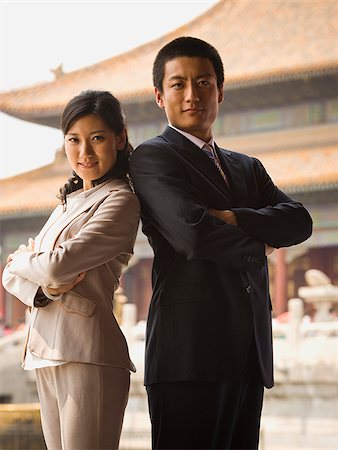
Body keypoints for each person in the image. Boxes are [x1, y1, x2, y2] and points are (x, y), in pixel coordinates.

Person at [129, 36, 313, 449]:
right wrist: (262, 241)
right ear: (159, 96)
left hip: (248, 352)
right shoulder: (153, 159)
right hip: (188, 354)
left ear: (220, 91)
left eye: (204, 82)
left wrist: (234, 218)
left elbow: (299, 221)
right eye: (178, 84)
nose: (192, 94)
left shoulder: (247, 167)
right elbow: (193, 234)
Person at [2, 90, 140, 450]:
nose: (85, 153)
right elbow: (12, 277)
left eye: (97, 139)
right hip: (46, 351)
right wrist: (44, 289)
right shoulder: (67, 203)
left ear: (120, 138)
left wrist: (22, 260)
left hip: (88, 353)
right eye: (74, 140)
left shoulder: (121, 201)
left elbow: (57, 265)